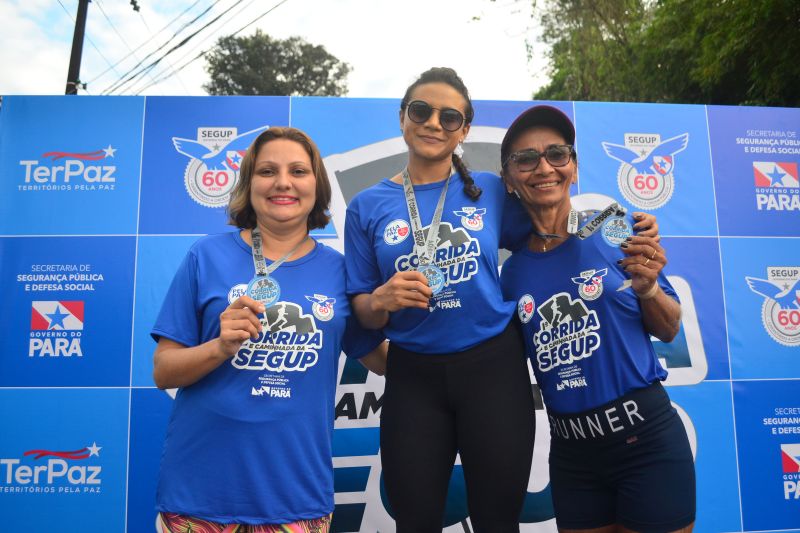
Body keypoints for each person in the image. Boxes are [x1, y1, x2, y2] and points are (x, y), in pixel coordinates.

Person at [344, 68, 660, 532]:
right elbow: (359, 309)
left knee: (498, 522)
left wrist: (628, 230)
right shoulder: (367, 206)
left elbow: (553, 224)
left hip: (492, 370)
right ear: (402, 118)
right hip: (413, 374)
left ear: (464, 130)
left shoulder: (489, 190)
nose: (434, 123)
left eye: (450, 117)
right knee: (413, 522)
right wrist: (383, 299)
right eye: (421, 111)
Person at [151, 126, 386, 533]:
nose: (283, 182)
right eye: (267, 171)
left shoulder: (341, 272)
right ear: (248, 184)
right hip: (200, 493)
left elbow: (384, 362)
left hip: (294, 496)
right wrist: (219, 347)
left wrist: (436, 323)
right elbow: (164, 371)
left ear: (317, 185)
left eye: (298, 170)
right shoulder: (205, 256)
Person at [499, 105, 695, 533]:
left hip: (646, 442)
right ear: (509, 180)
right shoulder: (511, 274)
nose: (544, 167)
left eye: (557, 153)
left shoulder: (616, 227)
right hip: (572, 456)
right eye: (526, 159)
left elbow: (669, 326)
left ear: (573, 166)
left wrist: (648, 290)